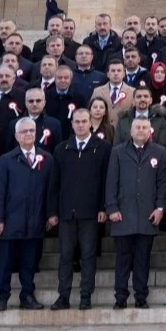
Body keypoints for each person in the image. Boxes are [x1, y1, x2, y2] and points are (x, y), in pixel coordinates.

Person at [0, 117, 58, 311]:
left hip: (35, 220)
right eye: (24, 131)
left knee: (29, 263)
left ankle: (27, 296)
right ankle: (2, 297)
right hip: (11, 221)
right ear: (16, 136)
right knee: (5, 263)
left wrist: (51, 214)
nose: (28, 134)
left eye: (31, 131)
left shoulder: (47, 159)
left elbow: (51, 189)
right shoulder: (6, 160)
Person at [106, 116, 166, 308]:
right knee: (123, 259)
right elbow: (111, 181)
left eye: (144, 127)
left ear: (150, 131)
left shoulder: (159, 152)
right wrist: (112, 208)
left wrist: (160, 208)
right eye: (137, 127)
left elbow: (162, 183)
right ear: (131, 131)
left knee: (143, 258)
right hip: (123, 214)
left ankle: (141, 297)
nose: (141, 130)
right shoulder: (117, 152)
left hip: (147, 214)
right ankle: (120, 297)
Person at [52, 108, 110, 310]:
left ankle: (86, 296)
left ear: (90, 124)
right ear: (72, 124)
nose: (81, 125)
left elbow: (106, 180)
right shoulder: (61, 149)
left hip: (91, 212)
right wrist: (53, 212)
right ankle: (63, 296)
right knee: (66, 256)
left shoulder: (103, 148)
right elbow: (54, 183)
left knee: (88, 255)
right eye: (77, 121)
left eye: (84, 121)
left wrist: (103, 207)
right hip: (66, 212)